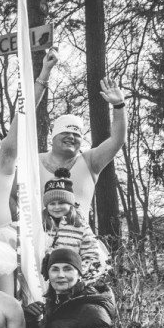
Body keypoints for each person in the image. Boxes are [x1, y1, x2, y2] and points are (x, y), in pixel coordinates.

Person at [36, 52, 128, 218]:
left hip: (80, 234)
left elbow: (117, 140)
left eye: (76, 134)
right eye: (65, 132)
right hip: (41, 234)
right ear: (53, 136)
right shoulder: (34, 161)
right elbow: (13, 196)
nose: (71, 137)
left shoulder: (89, 161)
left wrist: (119, 105)